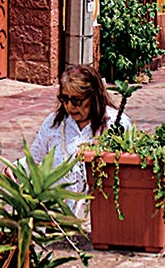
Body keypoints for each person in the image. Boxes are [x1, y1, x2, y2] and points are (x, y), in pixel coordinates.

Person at [30, 63, 109, 221]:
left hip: (99, 218)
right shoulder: (53, 124)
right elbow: (34, 160)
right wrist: (16, 170)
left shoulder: (114, 124)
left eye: (77, 100)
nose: (70, 106)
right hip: (56, 218)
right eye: (64, 99)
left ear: (93, 97)